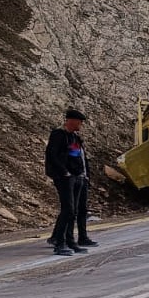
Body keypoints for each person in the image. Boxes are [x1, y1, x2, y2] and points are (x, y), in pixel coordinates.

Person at [44, 108, 97, 255]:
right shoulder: (58, 135)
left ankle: (71, 242)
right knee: (68, 210)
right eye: (79, 121)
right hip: (64, 178)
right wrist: (65, 172)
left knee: (73, 211)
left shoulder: (75, 138)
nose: (81, 124)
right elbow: (52, 156)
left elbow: (77, 157)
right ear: (71, 121)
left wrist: (82, 174)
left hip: (76, 177)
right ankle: (59, 243)